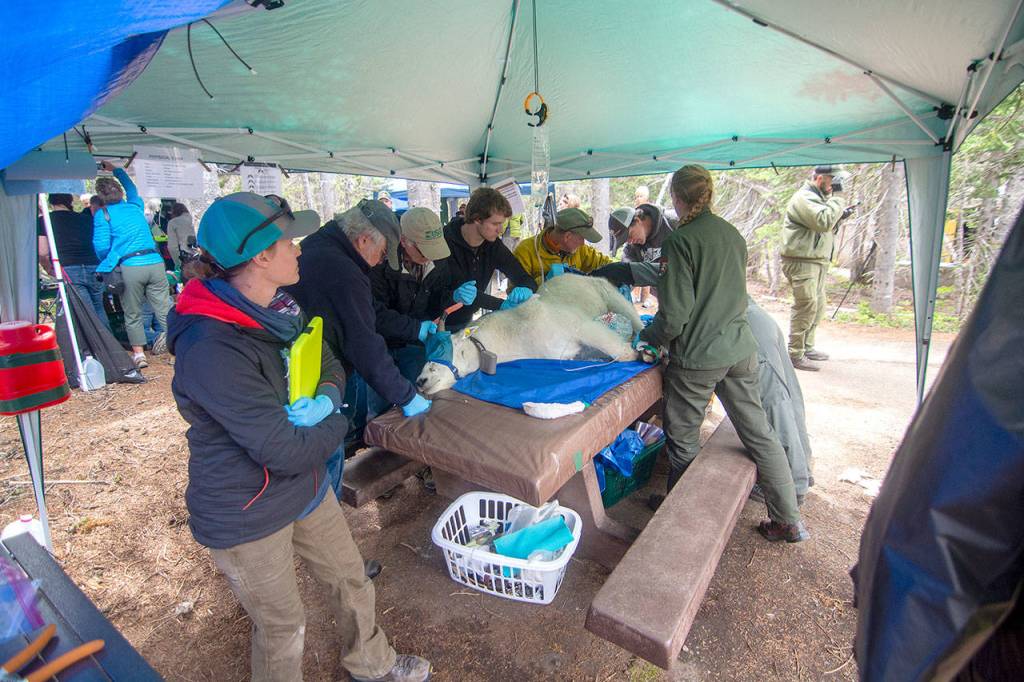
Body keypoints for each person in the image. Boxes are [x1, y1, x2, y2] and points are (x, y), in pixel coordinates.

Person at [167, 192, 430, 682]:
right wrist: (340, 417)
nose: (300, 250)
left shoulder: (280, 305)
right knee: (284, 626)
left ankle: (372, 666)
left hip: (304, 488)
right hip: (247, 507)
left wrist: (326, 400)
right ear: (262, 255)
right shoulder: (212, 346)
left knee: (351, 581)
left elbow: (327, 357)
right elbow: (283, 450)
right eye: (289, 241)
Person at [638, 165, 807, 542]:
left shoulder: (679, 242)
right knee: (760, 432)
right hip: (740, 348)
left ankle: (683, 526)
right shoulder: (732, 234)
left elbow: (676, 315)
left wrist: (648, 336)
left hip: (699, 356)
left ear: (677, 199)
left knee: (682, 440)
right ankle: (787, 519)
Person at [284, 199, 433, 481]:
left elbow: (365, 309)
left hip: (312, 361)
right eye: (381, 252)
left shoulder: (323, 242)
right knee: (329, 449)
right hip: (314, 375)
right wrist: (406, 395)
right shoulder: (343, 270)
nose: (379, 261)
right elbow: (365, 345)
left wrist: (414, 329)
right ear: (364, 239)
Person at [367, 207, 451, 414]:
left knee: (420, 395)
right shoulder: (378, 262)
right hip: (379, 346)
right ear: (404, 241)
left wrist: (454, 298)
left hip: (413, 345)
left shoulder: (436, 262)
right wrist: (414, 328)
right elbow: (372, 313)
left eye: (434, 249)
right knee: (379, 407)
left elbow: (438, 301)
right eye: (424, 251)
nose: (429, 257)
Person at [93, 160, 173, 368]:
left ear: (101, 197)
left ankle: (139, 354)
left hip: (130, 265)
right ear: (120, 193)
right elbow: (132, 188)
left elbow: (100, 246)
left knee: (132, 311)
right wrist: (117, 170)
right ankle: (177, 350)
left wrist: (111, 256)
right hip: (155, 262)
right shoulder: (136, 206)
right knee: (164, 308)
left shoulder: (104, 215)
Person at [779, 165, 850, 371]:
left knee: (817, 306)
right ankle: (795, 353)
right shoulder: (804, 198)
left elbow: (826, 226)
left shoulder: (819, 199)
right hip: (802, 261)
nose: (836, 185)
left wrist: (840, 215)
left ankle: (807, 347)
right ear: (820, 179)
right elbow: (822, 221)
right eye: (833, 180)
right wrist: (838, 199)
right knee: (806, 304)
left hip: (815, 260)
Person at [437, 187, 537, 330]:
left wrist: (527, 287)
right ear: (477, 219)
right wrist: (501, 305)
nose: (501, 230)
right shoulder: (446, 242)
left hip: (466, 321)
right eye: (495, 224)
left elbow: (522, 275)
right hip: (436, 322)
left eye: (502, 223)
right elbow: (463, 291)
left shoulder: (493, 245)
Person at [745, 298, 813, 504]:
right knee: (787, 397)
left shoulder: (674, 270)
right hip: (758, 320)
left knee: (774, 406)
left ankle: (793, 486)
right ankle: (803, 473)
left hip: (747, 329)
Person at [37, 193, 110, 327]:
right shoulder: (85, 219)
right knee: (99, 307)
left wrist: (48, 268)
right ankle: (110, 343)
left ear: (51, 202)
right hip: (94, 265)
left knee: (85, 311)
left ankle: (96, 345)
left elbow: (42, 252)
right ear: (70, 201)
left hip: (68, 267)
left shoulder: (45, 221)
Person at [513, 207, 611, 284]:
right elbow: (514, 289)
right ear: (567, 236)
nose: (583, 243)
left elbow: (606, 264)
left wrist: (620, 272)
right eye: (582, 238)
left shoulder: (581, 250)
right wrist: (544, 281)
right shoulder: (525, 251)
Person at [166, 202, 196, 268]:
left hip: (184, 257)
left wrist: (177, 264)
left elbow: (172, 247)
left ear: (174, 212)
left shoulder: (172, 222)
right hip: (196, 256)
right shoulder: (192, 219)